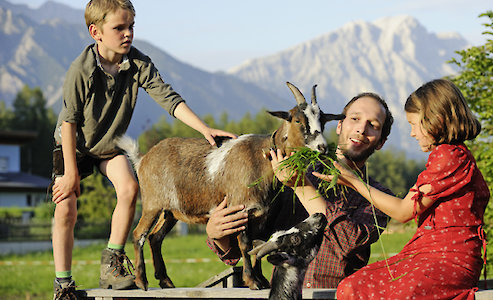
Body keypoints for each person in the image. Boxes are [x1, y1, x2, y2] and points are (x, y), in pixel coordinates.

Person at [50, 0, 236, 299]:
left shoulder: (138, 63)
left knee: (129, 188)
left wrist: (204, 128)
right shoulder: (80, 69)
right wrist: (71, 173)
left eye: (131, 27)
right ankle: (63, 283)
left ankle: (112, 261)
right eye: (119, 28)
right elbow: (70, 122)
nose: (128, 34)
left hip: (108, 144)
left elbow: (168, 97)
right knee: (65, 208)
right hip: (73, 143)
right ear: (95, 32)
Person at [318, 79, 489, 299]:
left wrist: (354, 181)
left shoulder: (449, 156)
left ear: (435, 120)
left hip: (448, 257)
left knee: (400, 293)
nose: (412, 133)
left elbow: (404, 211)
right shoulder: (450, 155)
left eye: (414, 124)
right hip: (427, 254)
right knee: (353, 286)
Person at [206, 92, 395, 288]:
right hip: (281, 293)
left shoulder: (379, 198)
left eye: (373, 125)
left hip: (334, 295)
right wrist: (217, 234)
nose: (361, 129)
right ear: (339, 125)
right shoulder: (291, 172)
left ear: (381, 141)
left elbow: (347, 242)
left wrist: (301, 186)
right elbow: (252, 238)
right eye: (354, 119)